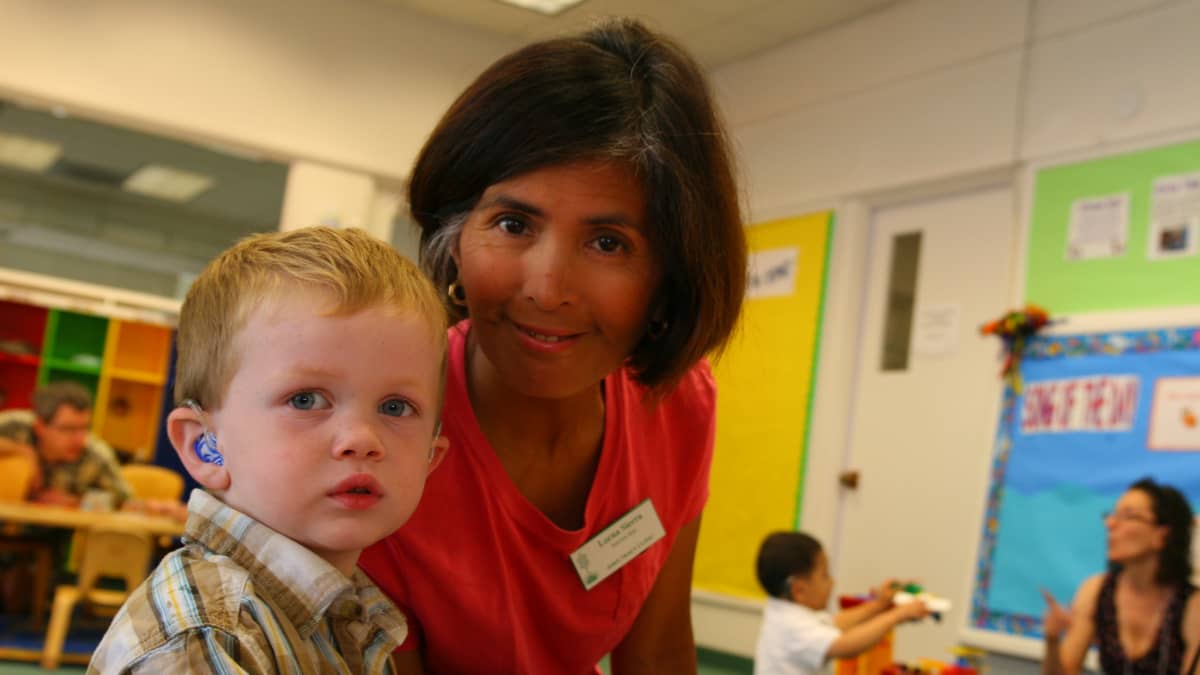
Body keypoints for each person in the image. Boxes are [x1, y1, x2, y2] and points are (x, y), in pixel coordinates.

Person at [357, 17, 748, 674]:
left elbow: (655, 653)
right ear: (454, 235)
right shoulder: (376, 430)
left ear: (669, 276)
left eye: (608, 243)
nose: (547, 288)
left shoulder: (676, 406)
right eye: (513, 223)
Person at [89, 226, 451, 674]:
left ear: (430, 459)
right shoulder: (208, 639)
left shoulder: (353, 614)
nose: (362, 439)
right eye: (305, 400)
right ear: (205, 445)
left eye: (396, 407)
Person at [1042, 477, 1200, 675]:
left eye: (1129, 516)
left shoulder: (1192, 605)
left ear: (1162, 535)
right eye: (1113, 515)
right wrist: (1052, 639)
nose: (1111, 524)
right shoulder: (1097, 590)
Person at [752, 532, 928, 675]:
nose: (832, 583)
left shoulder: (786, 610)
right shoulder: (792, 626)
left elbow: (834, 624)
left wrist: (879, 605)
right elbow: (844, 645)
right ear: (799, 590)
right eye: (825, 576)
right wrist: (896, 616)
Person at [0, 381, 133, 507]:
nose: (80, 439)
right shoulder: (15, 426)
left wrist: (77, 502)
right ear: (40, 427)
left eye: (85, 428)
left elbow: (124, 501)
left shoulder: (96, 454)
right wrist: (21, 451)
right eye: (68, 429)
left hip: (61, 529)